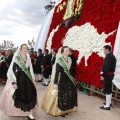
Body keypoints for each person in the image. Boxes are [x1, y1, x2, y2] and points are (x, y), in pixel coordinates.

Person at [0, 44, 38, 120]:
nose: (25, 49)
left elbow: (30, 70)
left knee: (30, 94)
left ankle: (28, 113)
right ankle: (24, 112)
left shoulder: (28, 57)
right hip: (19, 79)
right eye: (23, 48)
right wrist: (14, 82)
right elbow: (13, 71)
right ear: (20, 49)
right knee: (21, 96)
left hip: (28, 80)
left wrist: (33, 79)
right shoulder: (17, 58)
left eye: (26, 48)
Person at [41, 46, 77, 117]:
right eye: (65, 51)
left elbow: (70, 71)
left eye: (68, 51)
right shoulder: (59, 60)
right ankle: (60, 111)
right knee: (59, 95)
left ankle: (65, 109)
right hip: (60, 79)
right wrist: (56, 83)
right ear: (62, 51)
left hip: (68, 79)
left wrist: (72, 78)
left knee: (66, 95)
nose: (67, 52)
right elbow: (57, 72)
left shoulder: (69, 59)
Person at [100, 45, 116, 110]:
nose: (103, 50)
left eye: (104, 49)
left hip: (108, 75)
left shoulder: (108, 56)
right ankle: (108, 103)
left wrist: (103, 75)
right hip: (110, 75)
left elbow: (107, 67)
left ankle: (107, 106)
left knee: (107, 89)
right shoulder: (112, 56)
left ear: (107, 49)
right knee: (109, 89)